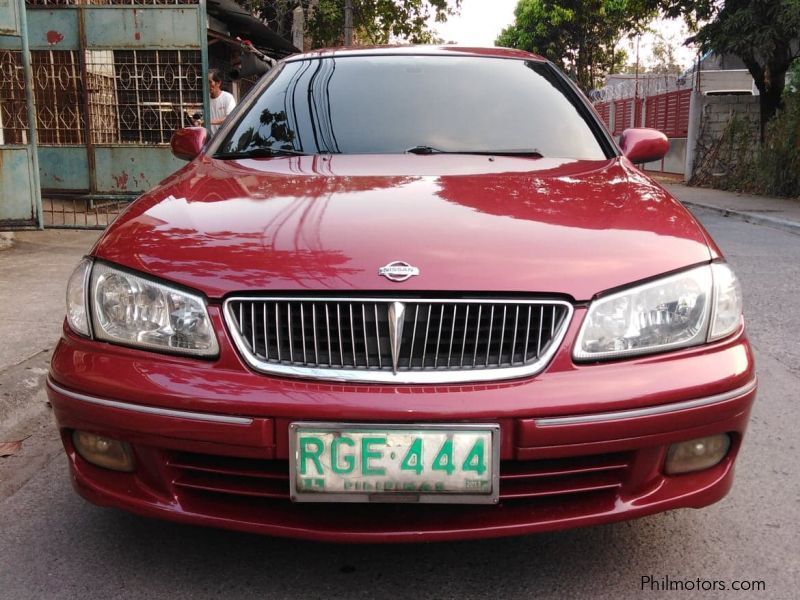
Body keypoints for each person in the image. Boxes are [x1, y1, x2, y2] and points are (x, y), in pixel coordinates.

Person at [208, 69, 236, 134]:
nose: (207, 85)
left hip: (224, 139)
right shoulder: (205, 100)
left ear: (218, 83)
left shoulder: (228, 98)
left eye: (210, 82)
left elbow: (230, 118)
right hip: (210, 141)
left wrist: (208, 121)